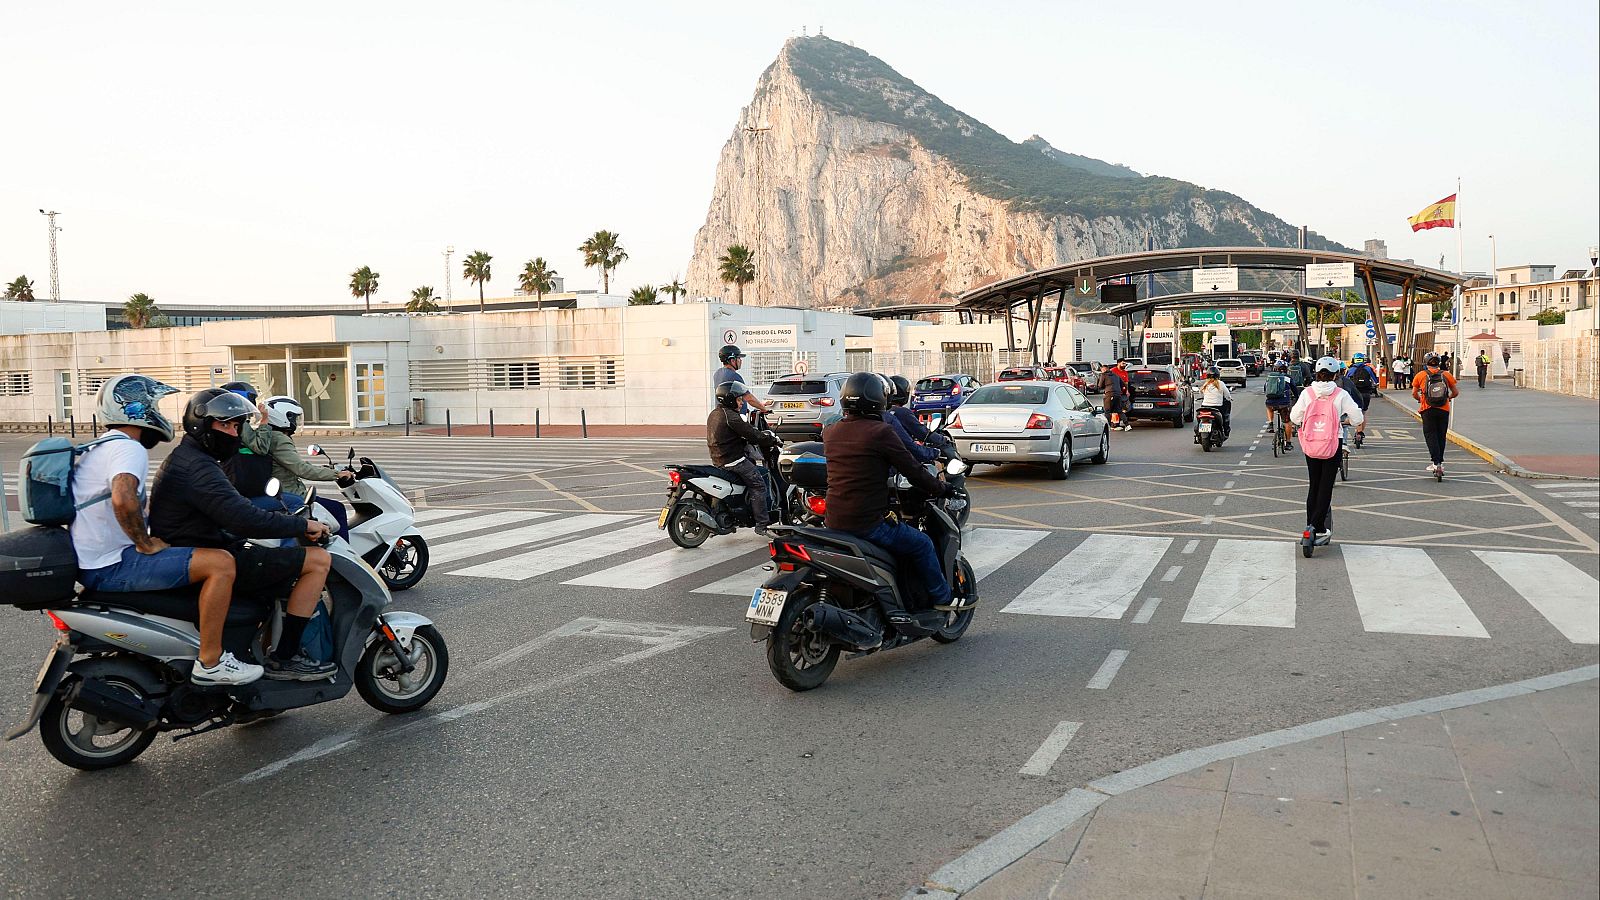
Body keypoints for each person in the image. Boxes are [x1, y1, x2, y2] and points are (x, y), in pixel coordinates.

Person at [69, 376, 261, 687]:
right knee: (221, 563)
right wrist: (144, 543)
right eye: (153, 404)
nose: (157, 412)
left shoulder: (97, 448)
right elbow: (122, 496)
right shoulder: (127, 448)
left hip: (93, 561)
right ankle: (211, 662)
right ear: (134, 408)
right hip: (112, 564)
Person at [149, 389, 337, 681]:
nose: (233, 433)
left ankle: (254, 652)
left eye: (237, 426)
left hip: (199, 543)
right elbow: (243, 518)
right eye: (225, 425)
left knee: (275, 565)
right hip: (203, 550)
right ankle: (286, 658)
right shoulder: (199, 467)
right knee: (317, 561)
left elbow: (233, 510)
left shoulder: (189, 457)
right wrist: (302, 525)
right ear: (202, 424)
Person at [823, 373, 955, 624]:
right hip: (869, 524)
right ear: (877, 400)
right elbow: (913, 469)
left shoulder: (832, 432)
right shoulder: (879, 432)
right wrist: (941, 488)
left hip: (833, 520)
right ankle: (942, 599)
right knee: (922, 544)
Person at [245, 395, 355, 539]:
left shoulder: (268, 435)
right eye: (293, 417)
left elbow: (293, 464)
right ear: (283, 416)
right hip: (290, 494)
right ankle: (346, 555)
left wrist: (327, 469)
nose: (295, 422)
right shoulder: (279, 439)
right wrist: (336, 474)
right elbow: (301, 469)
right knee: (337, 509)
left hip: (280, 492)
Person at [1288, 357, 1364, 545]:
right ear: (1335, 374)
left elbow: (1295, 417)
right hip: (1332, 443)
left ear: (1316, 372)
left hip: (1312, 444)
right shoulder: (1341, 394)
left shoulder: (1308, 393)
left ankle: (1309, 526)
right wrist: (1346, 421)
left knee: (1314, 484)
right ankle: (1317, 526)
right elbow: (1357, 417)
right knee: (1326, 486)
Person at [707, 379, 780, 534]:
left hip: (719, 459)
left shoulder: (715, 414)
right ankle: (762, 525)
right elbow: (753, 435)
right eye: (739, 399)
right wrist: (771, 440)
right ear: (729, 399)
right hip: (734, 461)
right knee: (759, 484)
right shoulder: (732, 417)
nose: (741, 403)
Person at [1411, 352, 1460, 476]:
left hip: (1427, 409)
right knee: (1441, 435)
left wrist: (1420, 399)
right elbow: (1455, 392)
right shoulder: (1446, 374)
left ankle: (1435, 462)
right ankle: (1440, 463)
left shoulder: (1420, 375)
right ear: (1439, 362)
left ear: (1426, 362)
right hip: (1443, 409)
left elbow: (1414, 393)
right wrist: (1448, 398)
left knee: (1430, 435)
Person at [885, 374, 950, 462]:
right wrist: (940, 445)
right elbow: (921, 434)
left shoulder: (881, 414)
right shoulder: (902, 413)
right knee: (935, 467)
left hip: (882, 462)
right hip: (898, 462)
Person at [712, 345, 770, 415]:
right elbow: (749, 398)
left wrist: (759, 404)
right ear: (733, 360)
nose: (741, 361)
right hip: (735, 417)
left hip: (722, 414)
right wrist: (764, 409)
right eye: (739, 358)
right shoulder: (734, 376)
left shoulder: (717, 373)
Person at [1263, 363, 1295, 447]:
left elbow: (1265, 389)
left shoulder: (1270, 377)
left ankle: (1270, 423)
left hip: (1271, 402)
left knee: (1269, 407)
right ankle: (1288, 442)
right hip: (1283, 403)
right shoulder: (1288, 378)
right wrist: (1296, 396)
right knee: (1287, 422)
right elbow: (1294, 389)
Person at [1198, 366, 1232, 437]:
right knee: (1224, 419)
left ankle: (1199, 432)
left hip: (1205, 407)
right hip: (1217, 408)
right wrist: (1229, 398)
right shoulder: (1221, 383)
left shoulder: (1205, 384)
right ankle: (1225, 432)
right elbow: (1227, 395)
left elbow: (1201, 393)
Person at [1103, 359, 1131, 432]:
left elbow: (1126, 383)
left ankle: (1114, 425)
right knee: (1114, 409)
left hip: (1120, 393)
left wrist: (1127, 390)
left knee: (1117, 409)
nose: (1124, 365)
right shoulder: (1113, 371)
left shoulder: (1125, 372)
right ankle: (1115, 424)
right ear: (1118, 363)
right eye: (1123, 363)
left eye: (1125, 364)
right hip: (1114, 393)